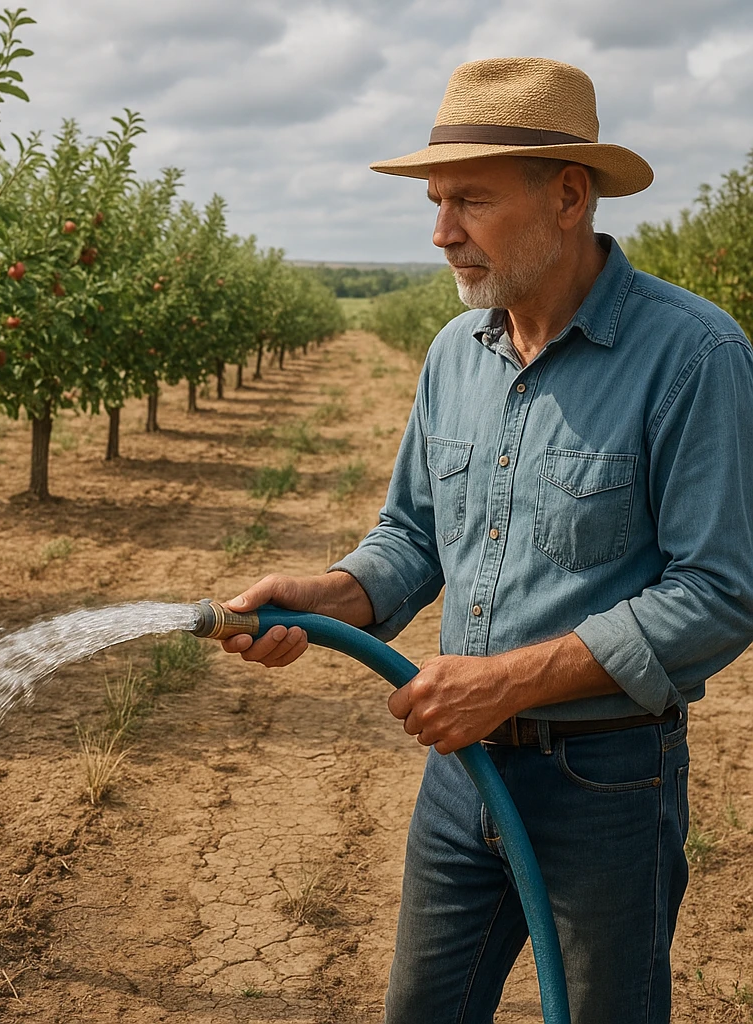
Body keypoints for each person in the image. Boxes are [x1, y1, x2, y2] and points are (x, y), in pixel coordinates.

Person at [220, 57, 753, 1024]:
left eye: (469, 200)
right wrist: (329, 594)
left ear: (567, 195)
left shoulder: (694, 354)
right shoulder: (453, 355)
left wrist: (507, 680)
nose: (441, 232)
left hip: (607, 786)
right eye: (434, 201)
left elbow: (717, 594)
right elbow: (413, 538)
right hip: (461, 780)